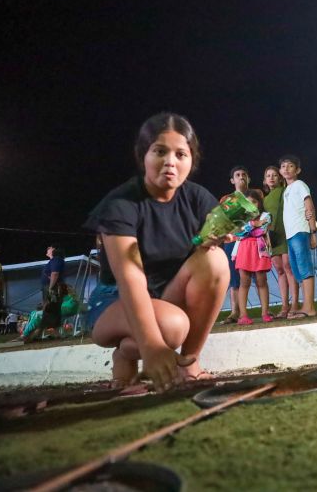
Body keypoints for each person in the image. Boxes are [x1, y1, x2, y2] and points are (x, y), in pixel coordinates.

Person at [83, 113, 230, 391]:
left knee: (215, 260)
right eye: (160, 151)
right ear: (143, 156)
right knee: (172, 328)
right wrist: (151, 346)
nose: (170, 162)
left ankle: (186, 363)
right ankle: (135, 349)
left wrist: (217, 236)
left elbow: (206, 254)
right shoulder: (121, 203)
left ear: (192, 159)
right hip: (115, 299)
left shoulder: (198, 198)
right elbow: (130, 279)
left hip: (165, 296)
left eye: (181, 154)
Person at [280, 154, 317, 318]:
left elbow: (309, 207)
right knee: (297, 271)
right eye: (283, 166)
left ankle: (309, 307)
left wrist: (313, 232)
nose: (286, 169)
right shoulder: (287, 190)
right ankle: (305, 305)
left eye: (290, 166)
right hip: (290, 234)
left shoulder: (300, 185)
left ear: (297, 170)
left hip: (300, 231)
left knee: (304, 267)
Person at [232, 189, 274, 324]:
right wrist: (253, 224)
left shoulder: (266, 215)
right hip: (244, 250)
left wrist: (248, 228)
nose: (251, 205)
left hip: (259, 250)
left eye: (254, 202)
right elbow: (238, 233)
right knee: (244, 282)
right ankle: (243, 316)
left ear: (259, 203)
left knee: (261, 281)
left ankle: (265, 313)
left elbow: (261, 231)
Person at [262, 165, 298, 319]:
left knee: (288, 266)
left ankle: (295, 304)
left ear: (280, 177)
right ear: (265, 180)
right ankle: (284, 306)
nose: (271, 178)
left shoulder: (285, 191)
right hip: (272, 236)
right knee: (279, 270)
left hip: (286, 233)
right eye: (268, 175)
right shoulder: (264, 199)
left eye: (274, 175)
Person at [219, 165, 252, 324]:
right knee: (234, 279)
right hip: (232, 242)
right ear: (232, 180)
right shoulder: (226, 199)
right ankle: (234, 312)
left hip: (251, 241)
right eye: (237, 175)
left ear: (248, 178)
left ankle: (264, 310)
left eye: (243, 174)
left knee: (256, 276)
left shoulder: (255, 195)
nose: (241, 177)